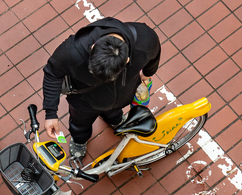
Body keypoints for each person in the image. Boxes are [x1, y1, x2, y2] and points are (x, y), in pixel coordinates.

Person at [42, 17, 161, 159]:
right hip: (84, 104)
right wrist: (51, 113)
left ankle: (114, 119)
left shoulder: (145, 40)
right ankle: (80, 140)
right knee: (80, 125)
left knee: (115, 113)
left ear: (127, 60)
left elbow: (154, 56)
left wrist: (148, 73)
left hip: (122, 97)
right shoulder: (70, 51)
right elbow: (52, 73)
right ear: (92, 48)